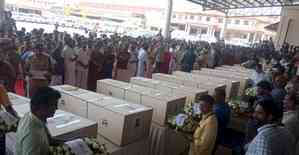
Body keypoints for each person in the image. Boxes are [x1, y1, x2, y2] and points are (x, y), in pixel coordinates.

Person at [16, 87, 61, 155]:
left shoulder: (33, 117)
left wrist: (68, 143)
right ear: (42, 107)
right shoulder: (32, 135)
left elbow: (49, 139)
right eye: (53, 105)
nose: (57, 108)